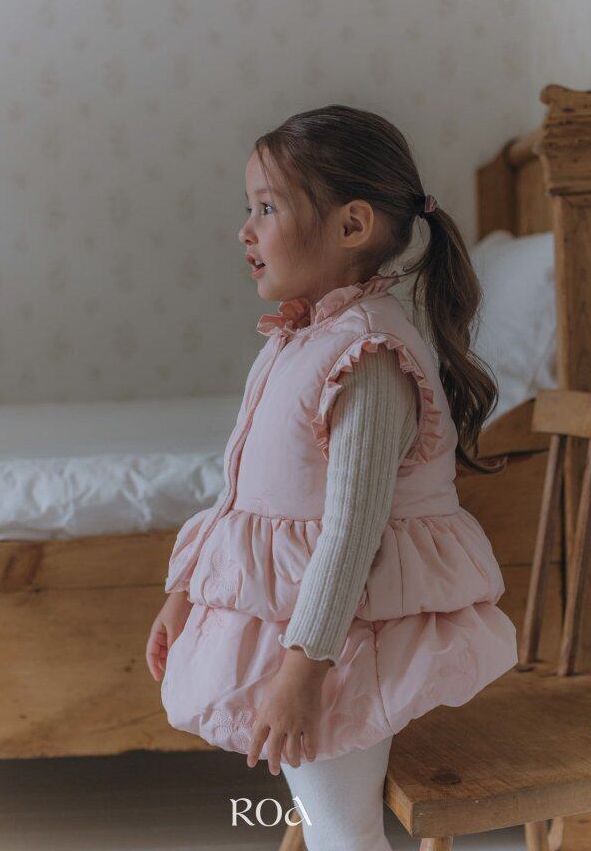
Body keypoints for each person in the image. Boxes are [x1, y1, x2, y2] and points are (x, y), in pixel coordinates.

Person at [145, 104, 518, 851]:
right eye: (248, 208)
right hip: (301, 624)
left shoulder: (369, 356)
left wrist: (303, 671)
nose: (245, 230)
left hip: (344, 638)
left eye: (267, 208)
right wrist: (186, 589)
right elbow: (241, 493)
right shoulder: (299, 339)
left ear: (351, 226)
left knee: (342, 834)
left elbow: (351, 533)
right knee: (324, 819)